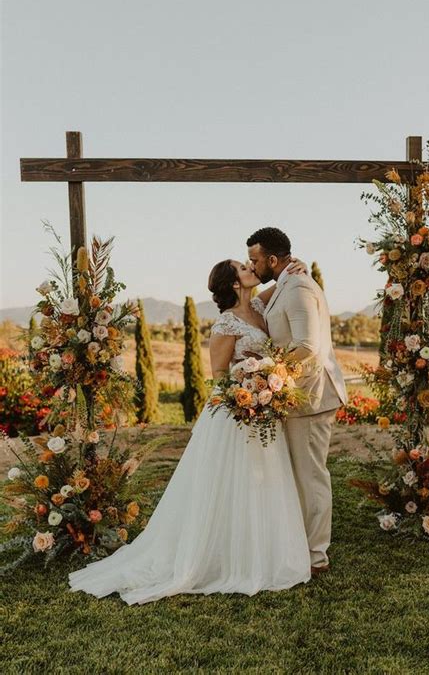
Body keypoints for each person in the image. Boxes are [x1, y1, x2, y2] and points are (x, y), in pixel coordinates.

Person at [68, 258, 311, 604]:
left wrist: (293, 267)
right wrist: (251, 393)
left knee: (263, 480)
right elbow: (219, 377)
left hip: (263, 407)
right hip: (236, 410)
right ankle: (222, 555)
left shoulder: (258, 304)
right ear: (233, 284)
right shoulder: (226, 324)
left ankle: (262, 550)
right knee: (229, 483)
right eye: (243, 268)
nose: (250, 268)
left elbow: (282, 282)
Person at [247, 227, 348, 574]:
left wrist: (267, 366)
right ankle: (300, 544)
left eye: (255, 260)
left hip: (313, 397)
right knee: (298, 475)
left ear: (272, 259)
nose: (252, 265)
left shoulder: (301, 287)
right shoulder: (288, 283)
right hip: (295, 396)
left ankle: (316, 555)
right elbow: (259, 305)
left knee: (310, 476)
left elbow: (307, 345)